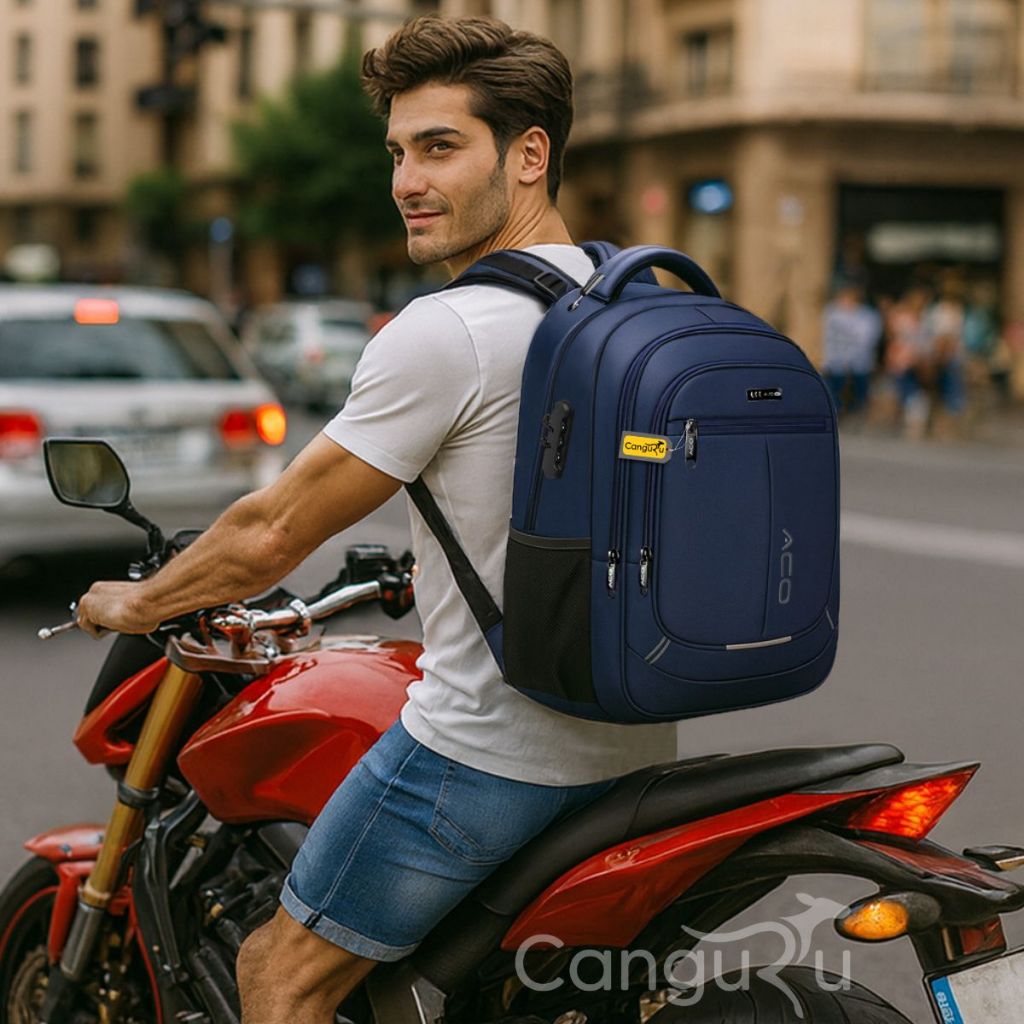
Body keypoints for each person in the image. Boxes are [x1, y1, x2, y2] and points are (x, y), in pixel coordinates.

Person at [75, 15, 679, 1023]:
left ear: (530, 155)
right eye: (397, 151)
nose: (405, 179)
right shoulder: (633, 303)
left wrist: (142, 601)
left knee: (279, 973)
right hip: (634, 743)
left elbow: (271, 532)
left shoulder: (449, 329)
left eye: (440, 147)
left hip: (484, 754)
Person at [820, 280, 881, 415]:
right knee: (831, 387)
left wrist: (850, 358)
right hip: (833, 361)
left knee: (859, 390)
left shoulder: (868, 316)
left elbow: (867, 341)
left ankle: (858, 411)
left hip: (859, 362)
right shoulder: (830, 312)